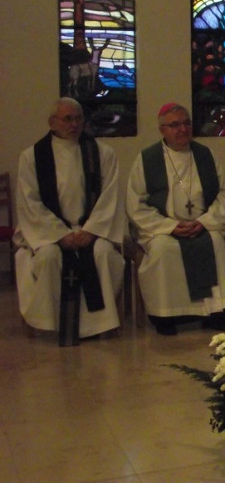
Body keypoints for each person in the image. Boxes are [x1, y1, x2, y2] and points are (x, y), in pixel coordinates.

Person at [14, 97, 124, 341]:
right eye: (67, 119)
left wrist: (91, 230)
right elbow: (29, 202)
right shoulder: (32, 157)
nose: (74, 124)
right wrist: (59, 234)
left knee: (104, 254)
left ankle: (100, 323)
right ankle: (54, 323)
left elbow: (111, 195)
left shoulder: (102, 153)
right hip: (50, 233)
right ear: (52, 123)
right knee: (48, 257)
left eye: (78, 118)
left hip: (91, 231)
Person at [126, 103, 225, 335]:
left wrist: (204, 222)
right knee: (163, 249)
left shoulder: (206, 155)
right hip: (162, 228)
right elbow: (136, 204)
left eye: (186, 123)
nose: (183, 129)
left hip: (203, 224)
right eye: (175, 125)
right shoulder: (146, 159)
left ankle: (215, 312)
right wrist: (171, 226)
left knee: (215, 243)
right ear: (162, 130)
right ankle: (166, 316)